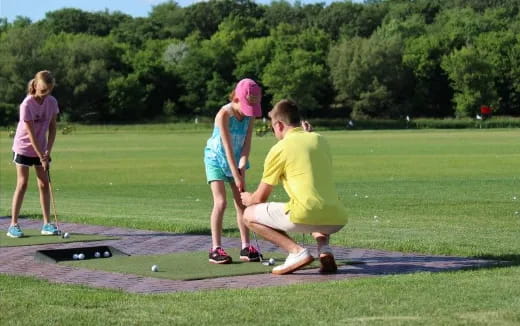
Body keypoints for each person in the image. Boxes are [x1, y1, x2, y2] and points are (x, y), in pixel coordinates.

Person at [240, 99, 348, 275]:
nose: (274, 132)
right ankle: (324, 249)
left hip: (306, 214)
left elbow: (260, 198)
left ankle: (296, 252)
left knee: (248, 215)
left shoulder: (280, 148)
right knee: (316, 201)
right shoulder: (320, 140)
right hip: (337, 217)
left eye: (272, 127)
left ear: (280, 125)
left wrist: (248, 198)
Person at [204, 78, 263, 264]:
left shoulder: (249, 115)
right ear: (236, 98)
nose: (249, 111)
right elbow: (227, 148)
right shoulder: (224, 115)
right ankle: (216, 248)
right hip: (216, 159)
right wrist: (235, 174)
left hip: (237, 161)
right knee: (221, 202)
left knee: (242, 203)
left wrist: (242, 168)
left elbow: (246, 145)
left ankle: (246, 247)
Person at [7, 70, 60, 238]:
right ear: (36, 85)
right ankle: (13, 225)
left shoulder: (51, 102)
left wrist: (47, 152)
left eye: (49, 91)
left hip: (42, 148)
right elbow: (30, 134)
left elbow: (52, 128)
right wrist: (41, 155)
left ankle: (47, 224)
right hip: (23, 147)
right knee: (22, 184)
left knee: (44, 184)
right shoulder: (26, 104)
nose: (45, 95)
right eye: (43, 90)